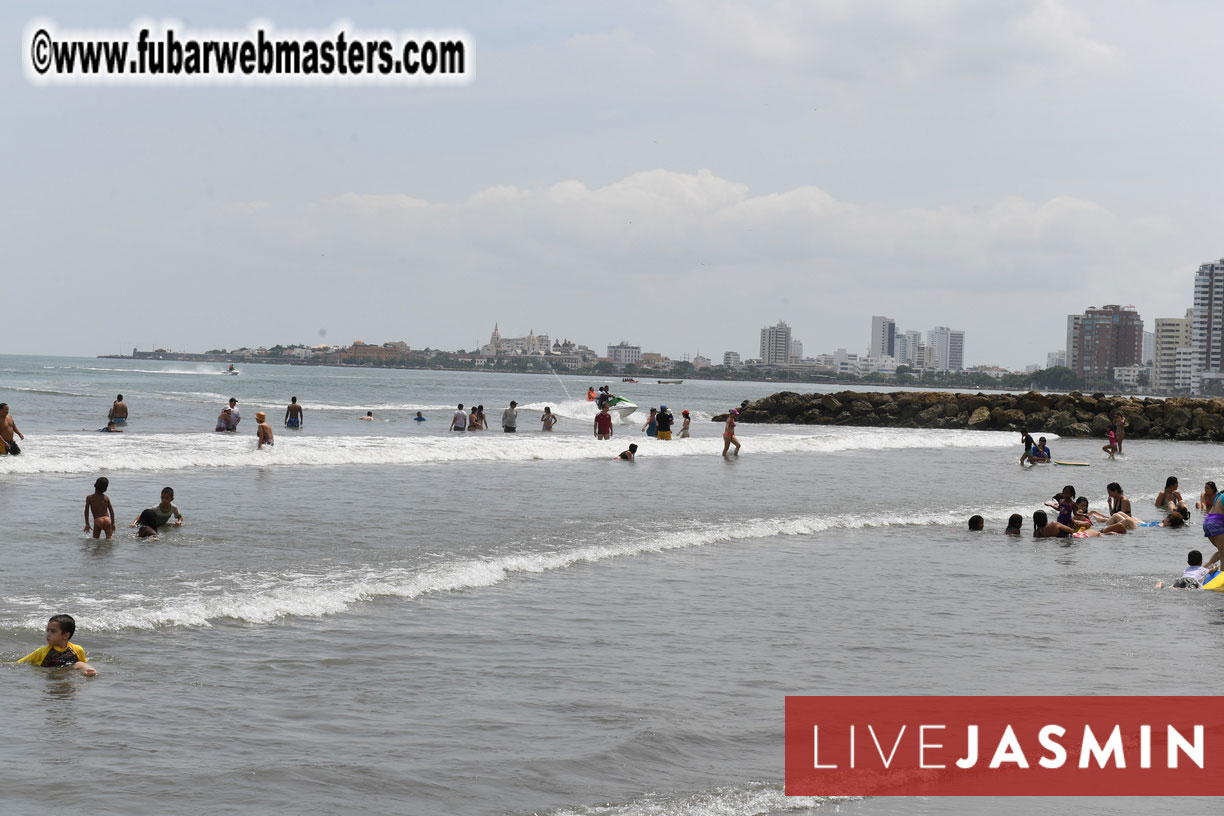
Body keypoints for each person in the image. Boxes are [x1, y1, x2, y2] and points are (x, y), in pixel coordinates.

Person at [18, 615, 97, 676]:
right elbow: (21, 663)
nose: (48, 634)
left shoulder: (77, 649)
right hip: (51, 676)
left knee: (79, 664)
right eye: (47, 630)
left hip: (68, 676)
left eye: (53, 631)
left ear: (65, 635)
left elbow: (83, 664)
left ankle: (92, 672)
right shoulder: (42, 652)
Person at [1201, 487, 1224, 573]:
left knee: (1222, 550)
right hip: (1216, 523)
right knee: (1223, 554)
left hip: (1207, 522)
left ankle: (1203, 569)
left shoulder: (1220, 495)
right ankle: (1222, 576)